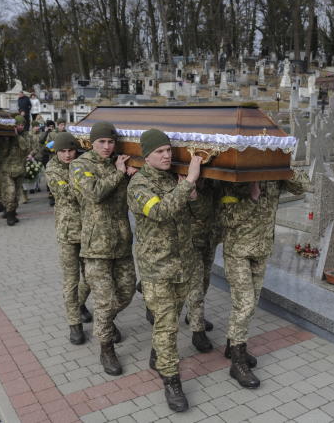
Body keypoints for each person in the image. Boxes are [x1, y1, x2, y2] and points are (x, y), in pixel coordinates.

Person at [127, 129, 202, 412]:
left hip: (183, 264)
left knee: (167, 323)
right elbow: (159, 212)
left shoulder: (175, 178)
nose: (167, 155)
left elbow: (193, 215)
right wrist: (189, 183)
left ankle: (158, 353)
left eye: (169, 150)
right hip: (157, 268)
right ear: (146, 155)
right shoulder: (138, 185)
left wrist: (192, 194)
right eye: (160, 151)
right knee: (168, 325)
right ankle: (172, 381)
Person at [219, 170, 309, 389]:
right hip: (238, 251)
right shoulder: (234, 178)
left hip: (262, 249)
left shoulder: (274, 174)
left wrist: (282, 164)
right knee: (245, 303)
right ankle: (237, 361)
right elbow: (227, 218)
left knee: (250, 302)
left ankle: (232, 345)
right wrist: (252, 197)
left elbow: (302, 186)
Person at [70, 122, 136, 376]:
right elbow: (94, 193)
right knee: (105, 299)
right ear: (91, 143)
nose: (107, 147)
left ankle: (103, 321)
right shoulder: (80, 165)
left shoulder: (119, 163)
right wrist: (119, 173)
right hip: (96, 245)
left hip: (121, 242)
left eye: (110, 142)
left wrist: (130, 175)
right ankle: (106, 348)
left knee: (128, 292)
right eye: (101, 142)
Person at [45, 132, 92, 345]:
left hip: (90, 230)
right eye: (62, 151)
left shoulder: (83, 164)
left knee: (91, 277)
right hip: (67, 233)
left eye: (71, 150)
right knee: (71, 281)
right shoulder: (52, 170)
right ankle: (74, 324)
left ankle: (79, 303)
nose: (67, 155)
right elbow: (71, 193)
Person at [184, 179, 221, 353]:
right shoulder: (186, 178)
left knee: (204, 281)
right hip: (191, 240)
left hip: (210, 237)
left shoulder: (214, 181)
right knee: (196, 286)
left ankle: (193, 315)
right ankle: (197, 331)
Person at [0, 115, 30, 225]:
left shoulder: (25, 135)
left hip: (20, 169)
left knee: (16, 194)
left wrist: (17, 136)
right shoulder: (6, 136)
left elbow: (25, 148)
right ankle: (9, 215)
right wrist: (9, 136)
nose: (20, 127)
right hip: (7, 169)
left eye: (22, 125)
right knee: (10, 192)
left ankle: (12, 211)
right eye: (18, 125)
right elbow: (2, 150)